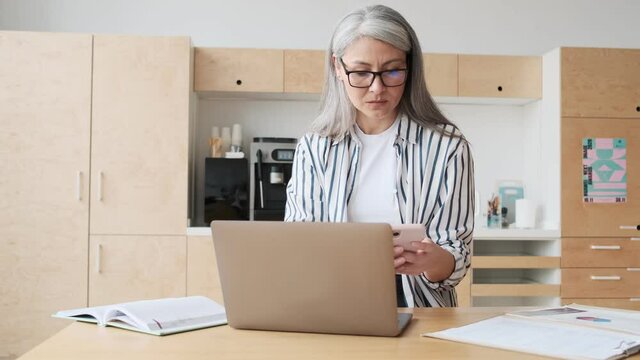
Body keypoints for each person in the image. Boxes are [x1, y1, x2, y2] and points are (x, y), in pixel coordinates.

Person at [284, 4, 475, 308]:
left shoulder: (448, 147)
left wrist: (432, 260)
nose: (377, 88)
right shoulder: (315, 148)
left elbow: (457, 261)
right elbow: (297, 245)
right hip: (331, 306)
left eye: (392, 71)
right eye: (361, 72)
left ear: (410, 67)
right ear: (337, 68)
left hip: (420, 310)